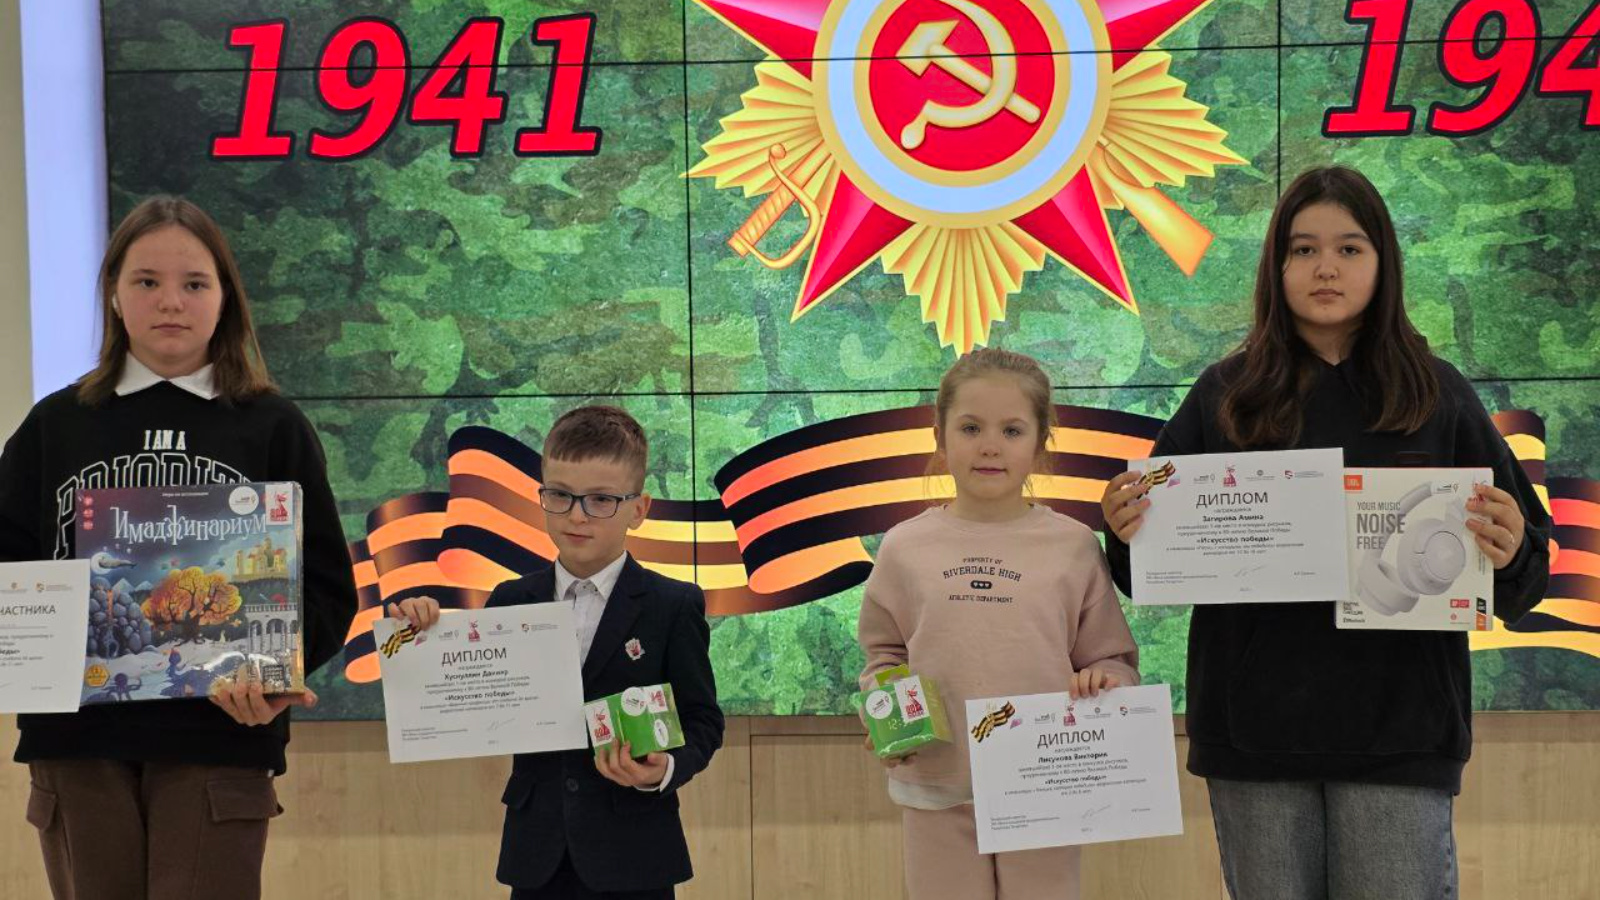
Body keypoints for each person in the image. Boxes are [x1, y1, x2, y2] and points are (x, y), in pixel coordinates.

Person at [1100, 166, 1551, 900]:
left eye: (1349, 248)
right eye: (1303, 249)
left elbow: (1525, 578)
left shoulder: (1438, 393)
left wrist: (1509, 549)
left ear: (1383, 263)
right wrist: (1123, 528)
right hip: (1253, 732)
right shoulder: (1224, 395)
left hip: (1402, 730)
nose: (1326, 268)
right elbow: (1141, 565)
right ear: (1275, 267)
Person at [0, 195, 358, 900]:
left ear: (225, 299)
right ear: (114, 292)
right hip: (79, 745)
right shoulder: (55, 426)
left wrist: (272, 680)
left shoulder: (272, 426)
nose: (171, 301)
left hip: (221, 734)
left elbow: (326, 588)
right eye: (147, 281)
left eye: (195, 283)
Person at [390, 404, 724, 899]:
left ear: (639, 509)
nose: (576, 515)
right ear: (542, 495)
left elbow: (702, 720)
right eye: (561, 495)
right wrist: (416, 634)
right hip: (537, 855)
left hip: (636, 853)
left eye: (601, 499)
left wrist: (665, 769)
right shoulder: (510, 600)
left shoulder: (671, 605)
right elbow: (464, 697)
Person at [856, 347, 1140, 900]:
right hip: (936, 785)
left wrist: (1105, 681)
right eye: (970, 428)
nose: (990, 445)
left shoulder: (1074, 545)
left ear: (1041, 442)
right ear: (939, 438)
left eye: (1012, 430)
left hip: (1046, 786)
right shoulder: (904, 546)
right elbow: (883, 657)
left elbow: (1112, 660)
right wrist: (886, 715)